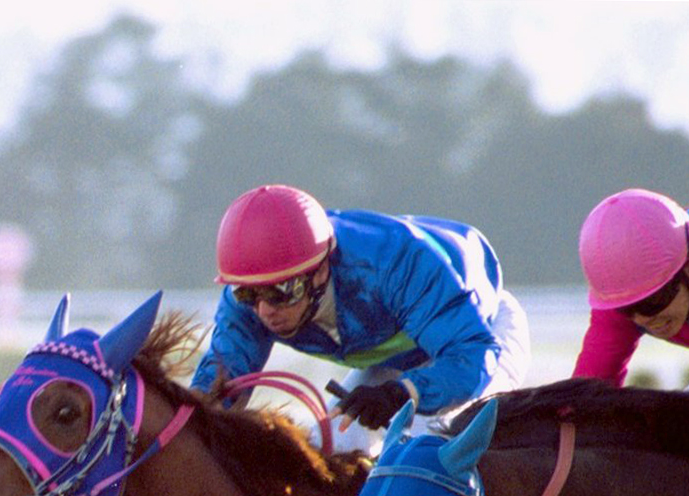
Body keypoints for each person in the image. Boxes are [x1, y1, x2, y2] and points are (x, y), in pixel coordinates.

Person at [191, 184, 531, 453]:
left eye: (282, 291)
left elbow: (472, 357)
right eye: (248, 294)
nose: (264, 310)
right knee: (328, 452)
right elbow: (216, 393)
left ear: (321, 269)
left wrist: (403, 393)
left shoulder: (395, 265)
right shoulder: (248, 295)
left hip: (479, 336)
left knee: (431, 455)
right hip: (393, 355)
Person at [571, 188, 689, 387]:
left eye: (651, 302)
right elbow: (582, 403)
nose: (642, 319)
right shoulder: (619, 294)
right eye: (626, 308)